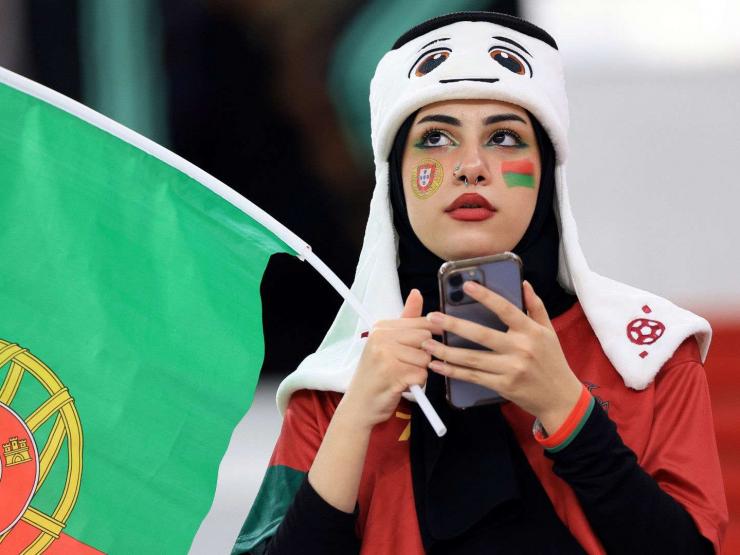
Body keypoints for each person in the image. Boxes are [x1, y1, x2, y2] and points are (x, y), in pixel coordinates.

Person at [232, 11, 728, 554]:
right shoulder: (336, 384)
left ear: (548, 169)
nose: (471, 166)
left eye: (505, 137)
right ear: (394, 176)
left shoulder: (647, 354)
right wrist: (353, 420)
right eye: (435, 137)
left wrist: (566, 409)